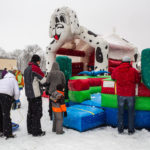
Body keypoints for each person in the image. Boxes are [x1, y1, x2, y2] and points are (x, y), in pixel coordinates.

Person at [111, 56, 141, 135]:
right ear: (129, 62)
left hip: (120, 94)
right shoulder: (133, 71)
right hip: (130, 94)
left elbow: (113, 77)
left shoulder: (117, 69)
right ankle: (131, 130)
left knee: (120, 112)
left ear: (122, 61)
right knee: (131, 113)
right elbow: (138, 80)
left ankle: (120, 129)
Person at [24, 54, 46, 137]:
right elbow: (43, 80)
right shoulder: (35, 68)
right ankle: (36, 131)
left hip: (29, 95)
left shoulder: (26, 69)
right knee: (37, 113)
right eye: (39, 61)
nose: (39, 63)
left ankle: (30, 129)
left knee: (30, 112)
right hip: (36, 95)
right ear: (37, 61)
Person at [46, 62, 66, 132]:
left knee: (52, 106)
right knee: (59, 106)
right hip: (59, 92)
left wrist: (47, 89)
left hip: (52, 93)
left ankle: (51, 116)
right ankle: (58, 124)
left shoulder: (50, 73)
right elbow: (64, 82)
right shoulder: (61, 73)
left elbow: (47, 82)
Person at [0, 72, 20, 139]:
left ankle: (1, 131)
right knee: (6, 115)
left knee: (1, 114)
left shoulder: (2, 80)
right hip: (6, 97)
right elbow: (17, 92)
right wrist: (15, 99)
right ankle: (8, 133)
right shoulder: (13, 80)